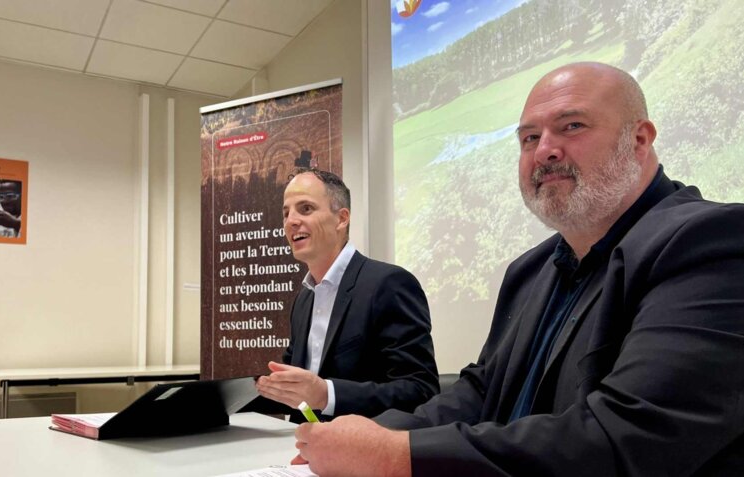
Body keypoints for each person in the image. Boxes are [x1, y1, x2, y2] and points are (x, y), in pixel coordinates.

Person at [290, 63, 744, 476]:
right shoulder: (531, 270)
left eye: (571, 126)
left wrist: (398, 454)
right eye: (529, 138)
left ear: (639, 140)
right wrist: (373, 436)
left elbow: (632, 436)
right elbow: (479, 392)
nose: (544, 150)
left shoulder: (711, 242)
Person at [252, 168, 440, 421]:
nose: (291, 221)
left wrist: (327, 394)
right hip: (301, 441)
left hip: (362, 443)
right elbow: (293, 390)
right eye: (286, 213)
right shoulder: (304, 299)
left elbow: (419, 391)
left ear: (341, 219)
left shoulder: (389, 284)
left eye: (305, 209)